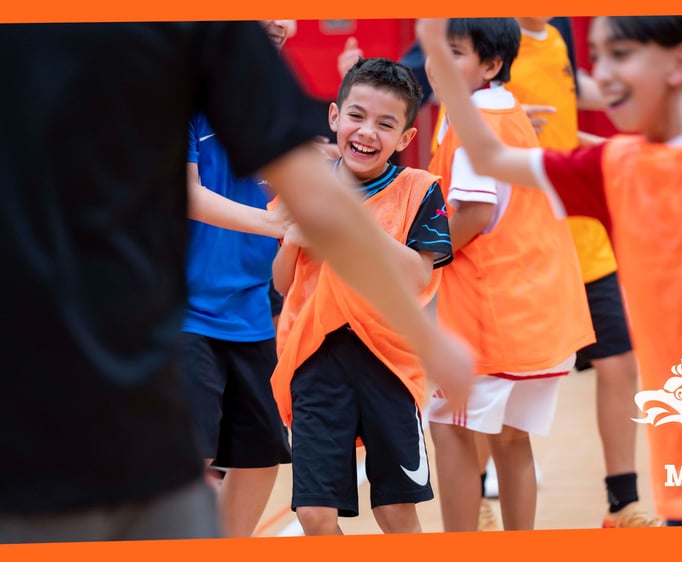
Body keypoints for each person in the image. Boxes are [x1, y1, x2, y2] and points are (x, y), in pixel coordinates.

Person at [0, 21, 472, 543]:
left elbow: (326, 215)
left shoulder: (245, 74)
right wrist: (283, 224)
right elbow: (220, 203)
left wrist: (426, 340)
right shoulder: (176, 68)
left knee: (261, 459)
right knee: (242, 487)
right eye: (356, 115)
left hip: (258, 324)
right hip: (185, 329)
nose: (277, 24)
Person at [417, 15, 682, 526]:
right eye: (598, 56)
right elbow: (490, 157)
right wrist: (434, 48)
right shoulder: (612, 165)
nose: (600, 74)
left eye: (619, 55)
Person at [422, 18, 595, 532]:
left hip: (494, 316)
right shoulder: (507, 108)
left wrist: (418, 260)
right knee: (511, 440)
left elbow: (473, 213)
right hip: (542, 312)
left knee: (449, 430)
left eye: (453, 53)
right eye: (434, 51)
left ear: (492, 65)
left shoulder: (476, 117)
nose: (436, 64)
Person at [269, 57, 453, 536]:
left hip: (388, 363)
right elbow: (283, 284)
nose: (367, 132)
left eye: (385, 124)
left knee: (394, 511)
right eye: (357, 116)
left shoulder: (421, 191)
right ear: (334, 117)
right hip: (313, 358)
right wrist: (292, 243)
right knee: (313, 511)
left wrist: (351, 221)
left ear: (406, 139)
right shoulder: (306, 187)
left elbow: (417, 276)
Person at [501, 16, 660, 529]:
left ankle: (623, 504)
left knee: (620, 364)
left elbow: (569, 92)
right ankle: (481, 496)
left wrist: (620, 92)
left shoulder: (560, 31)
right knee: (504, 383)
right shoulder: (486, 30)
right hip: (525, 235)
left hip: (584, 236)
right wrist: (508, 120)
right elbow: (443, 98)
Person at [179, 19, 297, 537]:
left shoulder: (274, 100)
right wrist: (270, 222)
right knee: (188, 460)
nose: (279, 21)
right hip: (179, 313)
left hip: (251, 312)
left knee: (258, 456)